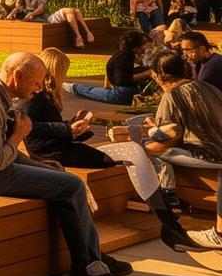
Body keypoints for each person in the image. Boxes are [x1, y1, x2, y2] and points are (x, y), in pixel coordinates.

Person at [0, 52, 142, 276]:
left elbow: (6, 153)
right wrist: (19, 135)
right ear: (17, 76)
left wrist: (40, 164)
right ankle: (87, 269)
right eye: (36, 82)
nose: (38, 89)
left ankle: (93, 256)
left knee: (62, 176)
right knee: (72, 186)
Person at [128, 50, 222, 249]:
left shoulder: (172, 95)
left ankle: (168, 197)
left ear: (158, 75)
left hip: (210, 155)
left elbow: (169, 139)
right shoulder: (206, 86)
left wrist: (145, 143)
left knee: (152, 150)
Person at [25, 48, 115, 169]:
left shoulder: (47, 96)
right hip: (47, 152)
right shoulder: (35, 96)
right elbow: (30, 127)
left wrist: (73, 124)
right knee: (107, 161)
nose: (65, 76)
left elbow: (51, 125)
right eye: (64, 72)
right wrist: (67, 129)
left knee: (109, 159)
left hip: (53, 147)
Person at [72, 31, 149, 104]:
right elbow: (121, 80)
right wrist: (146, 74)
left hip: (124, 85)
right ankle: (78, 88)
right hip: (121, 90)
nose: (144, 49)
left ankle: (78, 88)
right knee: (122, 96)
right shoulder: (124, 57)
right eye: (142, 46)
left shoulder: (129, 55)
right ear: (135, 48)